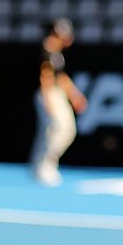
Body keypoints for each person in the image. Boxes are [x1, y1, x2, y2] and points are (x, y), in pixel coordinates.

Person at [29, 18, 88, 186]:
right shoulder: (48, 47)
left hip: (55, 93)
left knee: (54, 130)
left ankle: (40, 164)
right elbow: (45, 75)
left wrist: (75, 95)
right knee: (60, 129)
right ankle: (44, 165)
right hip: (49, 94)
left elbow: (61, 76)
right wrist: (48, 97)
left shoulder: (56, 52)